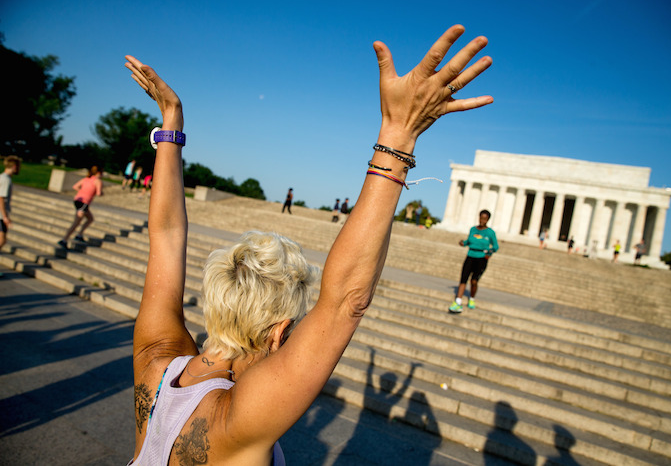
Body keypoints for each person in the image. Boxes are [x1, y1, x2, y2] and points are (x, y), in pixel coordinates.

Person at [124, 24, 493, 465]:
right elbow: (344, 303)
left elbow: (165, 236)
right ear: (279, 333)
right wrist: (399, 133)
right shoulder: (239, 420)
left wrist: (171, 126)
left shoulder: (156, 363)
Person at [449, 209, 499, 313]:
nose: (482, 220)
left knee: (474, 280)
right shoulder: (473, 229)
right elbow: (469, 241)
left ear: (488, 220)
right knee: (463, 278)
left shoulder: (490, 232)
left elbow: (495, 246)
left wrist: (489, 253)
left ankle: (471, 298)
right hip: (470, 255)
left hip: (481, 258)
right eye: (481, 218)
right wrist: (464, 243)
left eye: (485, 219)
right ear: (479, 217)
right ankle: (458, 302)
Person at [57, 165, 103, 248]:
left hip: (77, 200)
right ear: (99, 173)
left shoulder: (86, 179)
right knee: (76, 222)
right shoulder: (97, 181)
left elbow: (75, 186)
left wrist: (82, 191)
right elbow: (99, 193)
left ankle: (80, 234)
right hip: (84, 203)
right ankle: (64, 239)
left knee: (90, 219)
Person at [0, 155, 21, 253]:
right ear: (14, 166)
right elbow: (1, 198)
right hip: (0, 215)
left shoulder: (2, 177)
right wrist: (5, 217)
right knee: (2, 240)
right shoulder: (6, 180)